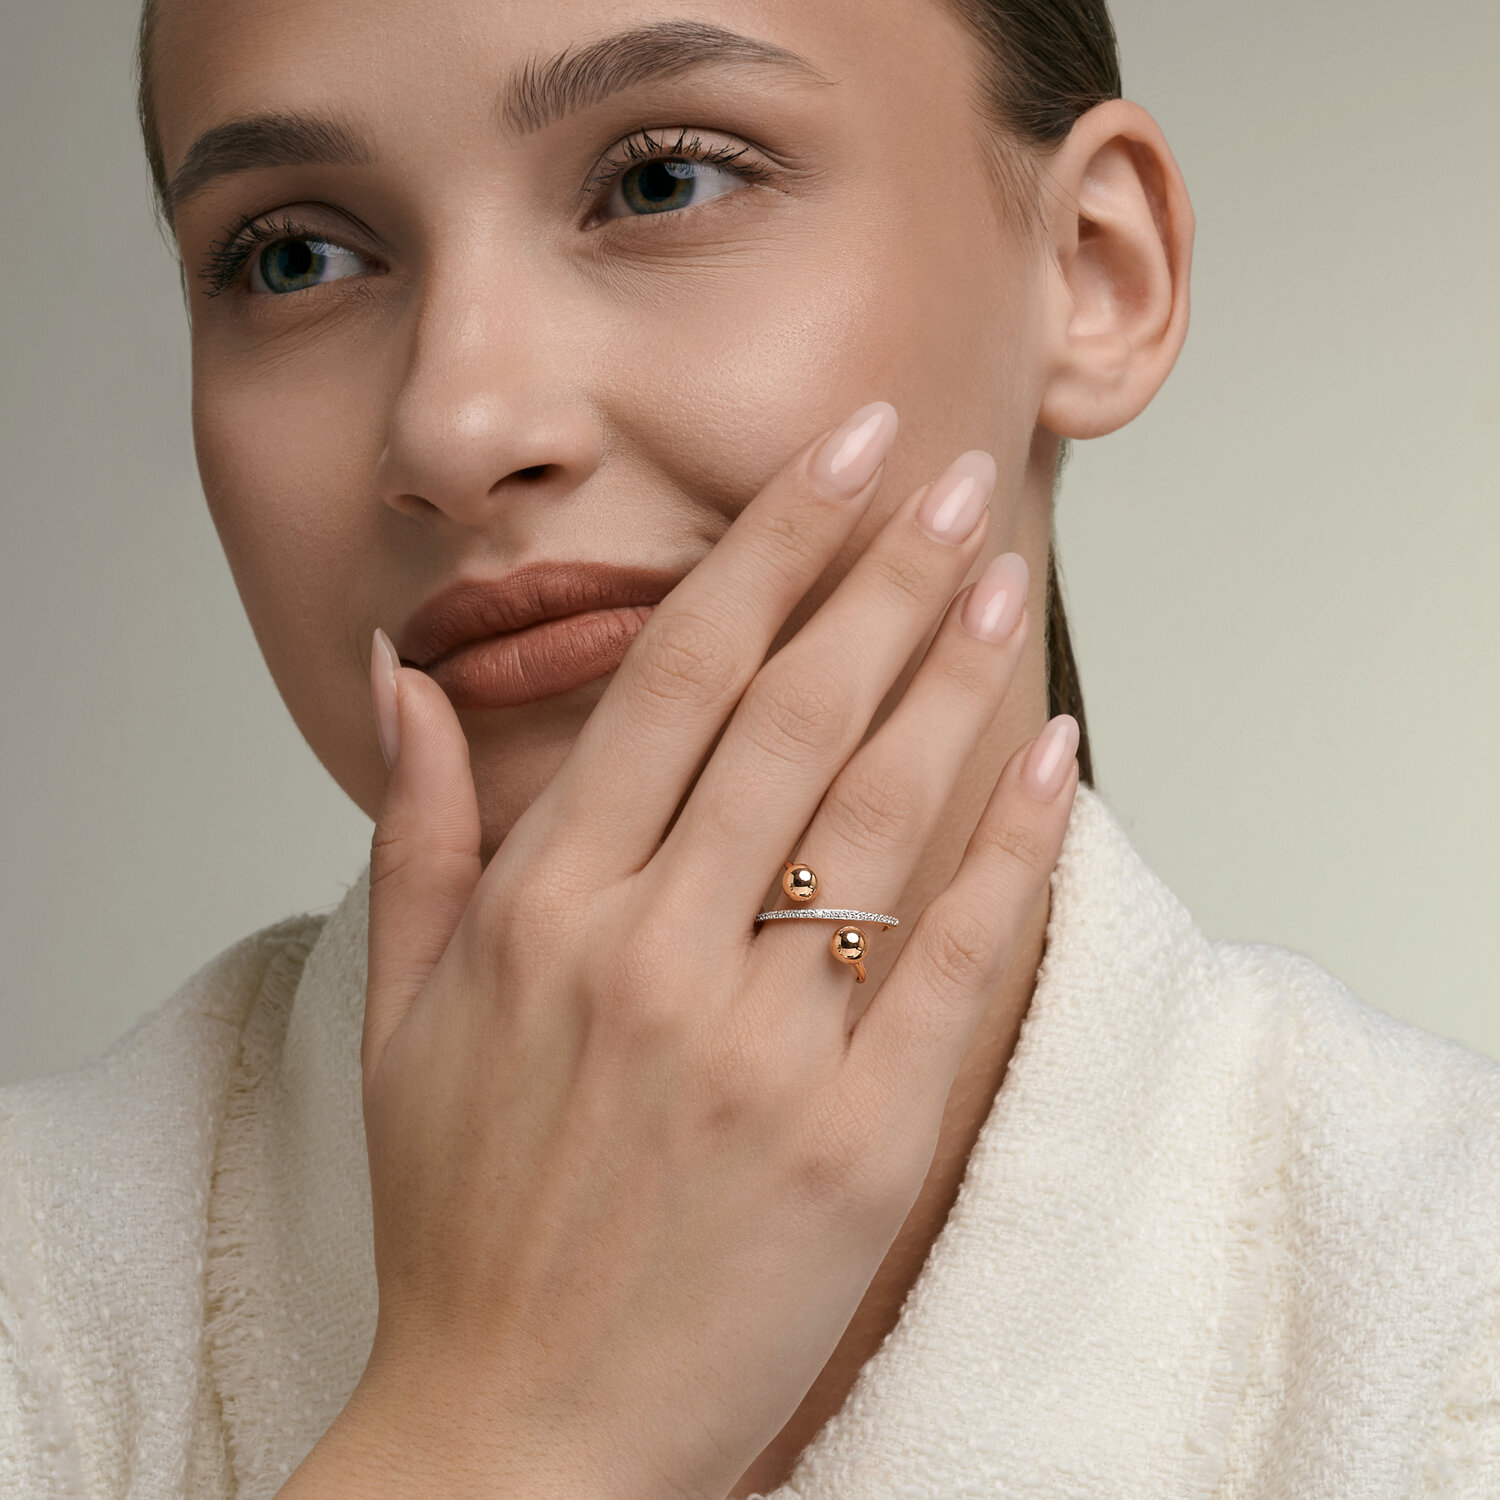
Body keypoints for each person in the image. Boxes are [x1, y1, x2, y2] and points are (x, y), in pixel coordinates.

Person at [2, 0, 1497, 1496]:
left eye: (663, 179)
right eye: (292, 258)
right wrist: (492, 1421)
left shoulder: (1448, 1329)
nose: (455, 429)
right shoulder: (42, 1309)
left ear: (1095, 270)